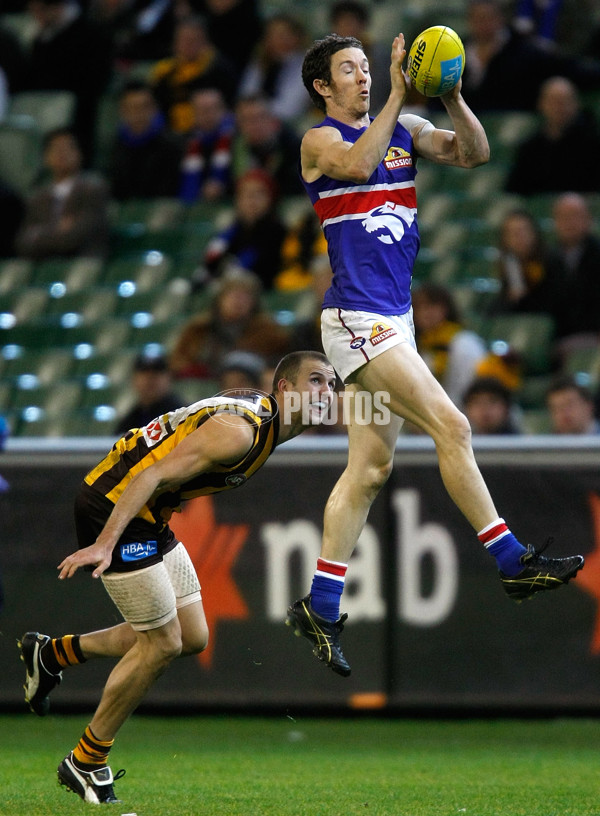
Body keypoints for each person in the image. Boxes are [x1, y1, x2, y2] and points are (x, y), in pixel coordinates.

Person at [285, 31, 585, 678]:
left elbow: (473, 153)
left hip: (395, 318)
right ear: (322, 87)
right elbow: (359, 167)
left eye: (368, 68)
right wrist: (397, 95)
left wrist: (450, 95)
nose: (363, 78)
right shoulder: (319, 141)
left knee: (368, 471)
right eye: (349, 70)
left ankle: (320, 604)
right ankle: (512, 561)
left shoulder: (408, 125)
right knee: (454, 425)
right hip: (355, 318)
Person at [18, 350, 336, 805]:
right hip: (117, 504)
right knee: (162, 643)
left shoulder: (268, 419)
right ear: (285, 389)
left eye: (332, 384)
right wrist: (106, 541)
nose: (327, 392)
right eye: (316, 382)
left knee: (190, 636)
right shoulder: (241, 434)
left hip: (150, 514)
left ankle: (51, 654)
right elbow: (150, 474)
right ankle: (86, 760)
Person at [24, 0, 112, 163]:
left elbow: (95, 79)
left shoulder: (91, 33)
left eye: (39, 11)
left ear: (55, 8)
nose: (36, 17)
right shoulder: (42, 37)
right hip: (48, 108)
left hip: (80, 113)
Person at [169, 268, 290, 379]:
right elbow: (176, 361)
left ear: (255, 302)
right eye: (233, 295)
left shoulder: (269, 333)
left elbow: (282, 367)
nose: (238, 301)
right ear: (219, 299)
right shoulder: (197, 329)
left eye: (245, 296)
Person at [15, 128, 110, 261]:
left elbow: (75, 237)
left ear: (79, 153)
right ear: (46, 157)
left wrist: (41, 233)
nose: (62, 154)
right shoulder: (37, 197)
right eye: (56, 149)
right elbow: (23, 243)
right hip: (44, 267)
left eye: (67, 148)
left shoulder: (93, 189)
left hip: (83, 265)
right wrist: (57, 229)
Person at [505, 76, 600, 196]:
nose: (559, 108)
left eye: (565, 101)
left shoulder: (592, 146)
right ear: (541, 104)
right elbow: (515, 191)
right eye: (553, 101)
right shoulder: (530, 150)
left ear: (576, 104)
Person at [150, 15, 237, 135]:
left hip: (214, 133)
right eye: (184, 40)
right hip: (172, 134)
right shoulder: (164, 71)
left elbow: (231, 106)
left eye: (194, 40)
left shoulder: (219, 68)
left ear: (205, 41)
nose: (188, 45)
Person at [202, 168, 287, 290]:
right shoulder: (228, 235)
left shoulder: (279, 234)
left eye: (259, 194)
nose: (251, 200)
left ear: (271, 199)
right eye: (245, 194)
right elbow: (208, 267)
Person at [412, 282, 487, 406]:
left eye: (432, 305)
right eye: (419, 307)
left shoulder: (464, 342)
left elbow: (472, 388)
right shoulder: (415, 347)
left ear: (446, 308)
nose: (426, 313)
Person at [108, 81, 184, 202]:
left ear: (154, 108)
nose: (139, 114)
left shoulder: (172, 146)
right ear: (123, 111)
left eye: (145, 107)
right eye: (133, 108)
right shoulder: (117, 146)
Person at [545, 193, 600, 358]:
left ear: (588, 219)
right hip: (560, 337)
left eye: (575, 216)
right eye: (563, 217)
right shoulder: (549, 259)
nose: (569, 222)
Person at [237, 13, 311, 125]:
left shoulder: (307, 66)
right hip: (254, 121)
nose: (279, 40)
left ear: (297, 37)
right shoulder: (260, 62)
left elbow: (290, 109)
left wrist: (258, 111)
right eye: (273, 34)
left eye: (284, 35)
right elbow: (245, 94)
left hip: (291, 126)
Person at [231, 93, 304, 195]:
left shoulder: (296, 149)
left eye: (260, 117)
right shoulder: (234, 148)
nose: (254, 125)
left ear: (273, 120)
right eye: (246, 119)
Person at [179, 86, 235, 204]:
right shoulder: (184, 143)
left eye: (212, 109)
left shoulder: (237, 139)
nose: (207, 115)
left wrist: (223, 188)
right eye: (202, 111)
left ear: (223, 109)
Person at [493, 208, 552, 313]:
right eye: (512, 233)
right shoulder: (508, 266)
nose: (519, 237)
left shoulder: (551, 262)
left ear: (534, 233)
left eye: (522, 231)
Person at [114, 352, 184, 434]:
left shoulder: (181, 415)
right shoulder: (132, 418)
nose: (150, 378)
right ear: (134, 379)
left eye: (157, 372)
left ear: (169, 378)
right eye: (144, 372)